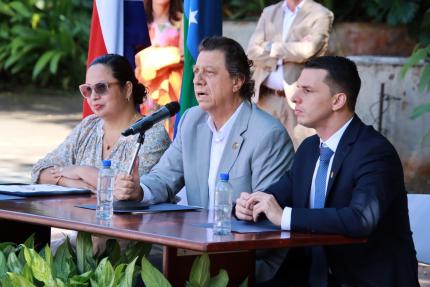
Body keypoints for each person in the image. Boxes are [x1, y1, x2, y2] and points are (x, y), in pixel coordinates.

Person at [115, 36, 295, 282]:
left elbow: (264, 220)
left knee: (139, 276)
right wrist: (139, 191)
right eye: (196, 71)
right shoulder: (192, 120)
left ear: (237, 81)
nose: (197, 80)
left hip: (245, 255)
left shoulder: (267, 135)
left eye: (209, 73)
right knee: (120, 261)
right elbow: (164, 176)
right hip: (197, 246)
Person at [235, 56, 419, 286]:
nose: (294, 97)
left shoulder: (374, 152)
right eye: (297, 87)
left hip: (362, 280)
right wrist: (248, 206)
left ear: (337, 100)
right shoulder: (309, 149)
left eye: (308, 90)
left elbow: (361, 218)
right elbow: (276, 197)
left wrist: (284, 216)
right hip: (308, 277)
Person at [32, 53, 170, 193]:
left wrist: (81, 171)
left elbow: (127, 190)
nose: (93, 96)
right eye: (88, 89)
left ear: (127, 89)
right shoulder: (89, 126)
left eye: (101, 87)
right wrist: (66, 181)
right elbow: (40, 171)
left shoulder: (152, 134)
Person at [247, 0, 333, 149]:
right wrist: (292, 50)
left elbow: (307, 50)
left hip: (299, 101)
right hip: (265, 98)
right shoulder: (269, 12)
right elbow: (251, 52)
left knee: (299, 152)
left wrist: (269, 46)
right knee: (261, 151)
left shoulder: (321, 14)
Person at [135, 0, 183, 138]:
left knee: (171, 124)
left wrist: (151, 56)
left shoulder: (181, 20)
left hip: (172, 83)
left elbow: (183, 55)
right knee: (147, 125)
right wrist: (168, 55)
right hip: (146, 83)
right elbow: (136, 55)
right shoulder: (141, 19)